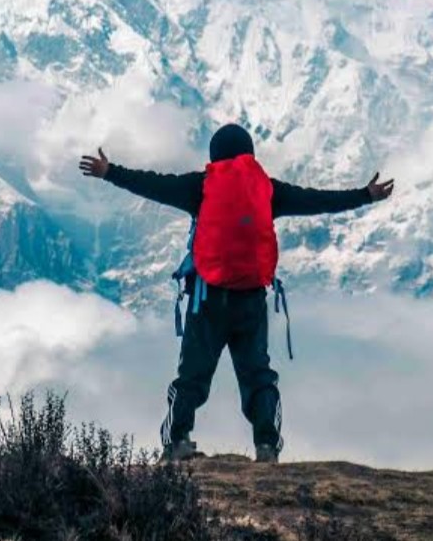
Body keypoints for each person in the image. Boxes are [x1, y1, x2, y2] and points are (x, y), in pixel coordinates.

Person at [79, 124, 394, 463]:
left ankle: (176, 442)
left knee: (192, 376)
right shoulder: (268, 190)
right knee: (258, 376)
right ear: (250, 154)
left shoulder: (199, 186)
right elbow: (317, 200)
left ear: (214, 155)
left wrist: (109, 172)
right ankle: (267, 446)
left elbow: (153, 184)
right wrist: (364, 195)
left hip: (207, 298)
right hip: (251, 299)